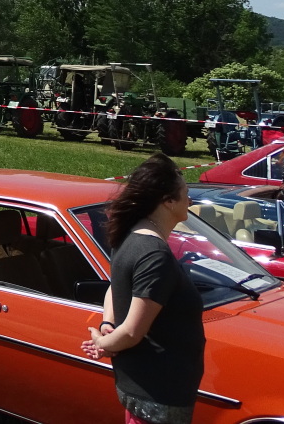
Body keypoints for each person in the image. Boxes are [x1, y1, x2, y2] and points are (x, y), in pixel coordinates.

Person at [81, 153, 204, 424]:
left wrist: (107, 324)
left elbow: (114, 287)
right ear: (168, 201)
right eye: (186, 194)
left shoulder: (130, 236)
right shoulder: (154, 254)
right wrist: (103, 343)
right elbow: (132, 332)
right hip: (157, 396)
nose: (190, 200)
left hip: (143, 389)